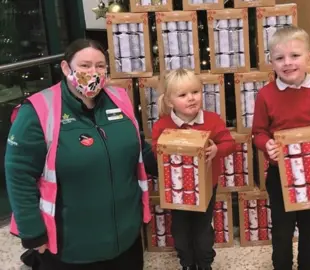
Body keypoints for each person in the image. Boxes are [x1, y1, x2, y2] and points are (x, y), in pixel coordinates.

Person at [5, 39, 157, 270]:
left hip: (125, 238)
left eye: (100, 66)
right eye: (85, 66)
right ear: (66, 68)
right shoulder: (38, 111)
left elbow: (139, 148)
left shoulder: (120, 99)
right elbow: (19, 175)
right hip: (72, 247)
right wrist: (32, 233)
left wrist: (173, 159)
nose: (93, 72)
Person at [251, 26, 310, 270]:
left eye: (295, 56)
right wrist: (267, 145)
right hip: (279, 175)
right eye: (279, 58)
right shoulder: (266, 95)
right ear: (271, 62)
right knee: (282, 232)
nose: (288, 63)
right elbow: (258, 132)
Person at [151, 68, 236, 270]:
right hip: (176, 189)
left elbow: (229, 144)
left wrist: (217, 148)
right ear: (170, 101)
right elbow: (156, 149)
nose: (191, 98)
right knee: (180, 228)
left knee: (202, 227)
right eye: (183, 95)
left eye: (195, 92)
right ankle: (187, 262)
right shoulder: (162, 125)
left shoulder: (212, 120)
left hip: (206, 186)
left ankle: (205, 262)